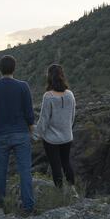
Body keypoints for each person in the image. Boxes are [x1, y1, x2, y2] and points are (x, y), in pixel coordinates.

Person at [0, 55, 35, 213]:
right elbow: (29, 113)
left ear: (0, 69)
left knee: (0, 170)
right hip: (21, 134)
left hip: (2, 135)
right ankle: (28, 208)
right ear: (14, 68)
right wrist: (32, 131)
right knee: (25, 171)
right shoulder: (23, 86)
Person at [36, 64, 79, 198]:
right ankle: (73, 191)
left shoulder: (48, 96)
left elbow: (44, 120)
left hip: (51, 140)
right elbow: (72, 116)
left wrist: (37, 134)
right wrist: (67, 130)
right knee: (66, 163)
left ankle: (60, 193)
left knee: (56, 166)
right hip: (67, 137)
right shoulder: (70, 94)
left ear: (49, 77)